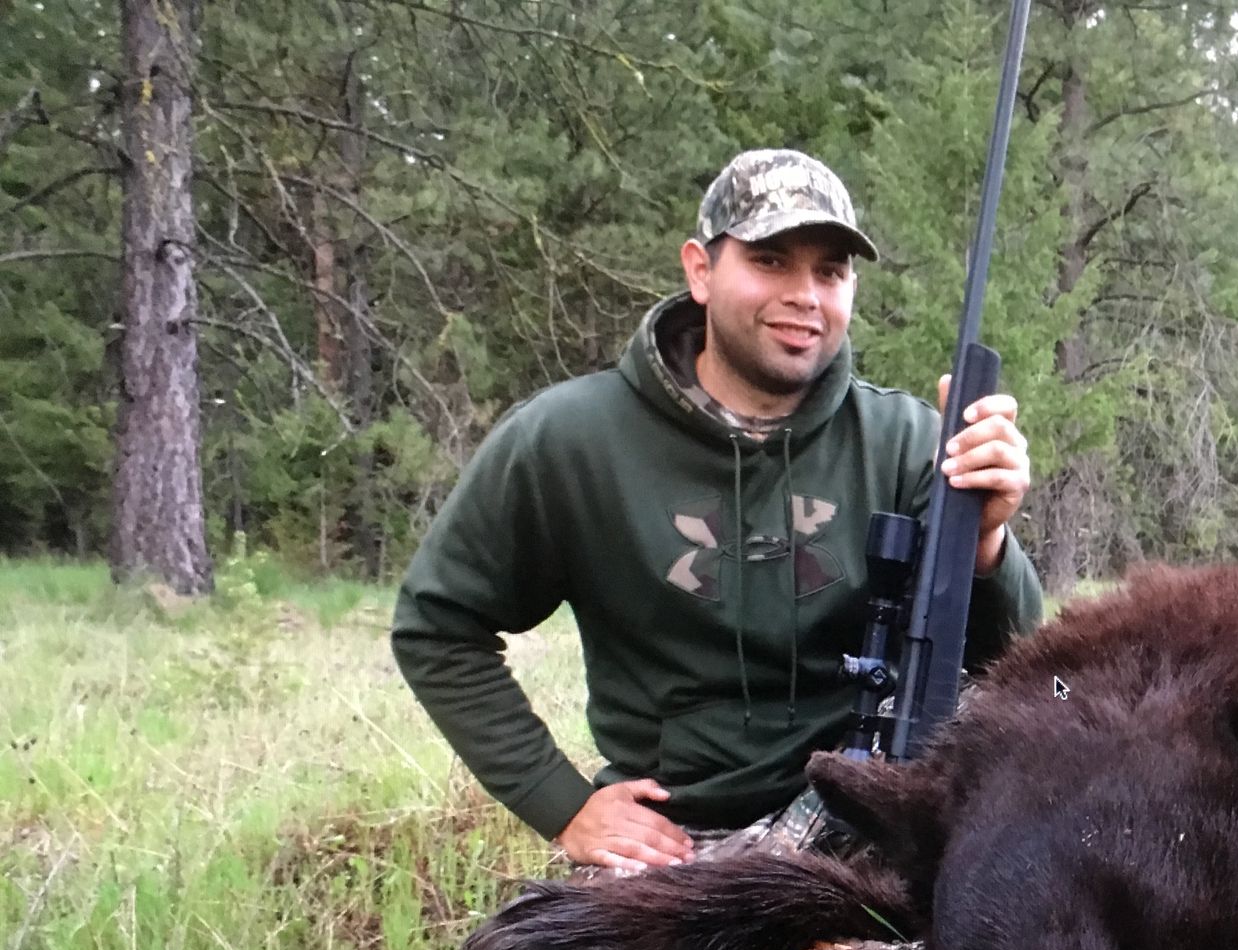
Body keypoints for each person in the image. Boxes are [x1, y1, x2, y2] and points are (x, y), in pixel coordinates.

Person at [392, 149, 1045, 873]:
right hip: (670, 841)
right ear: (700, 270)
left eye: (830, 272)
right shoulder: (569, 439)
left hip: (863, 820)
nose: (806, 295)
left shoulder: (909, 443)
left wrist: (984, 538)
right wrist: (562, 804)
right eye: (770, 261)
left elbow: (1014, 664)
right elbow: (436, 624)